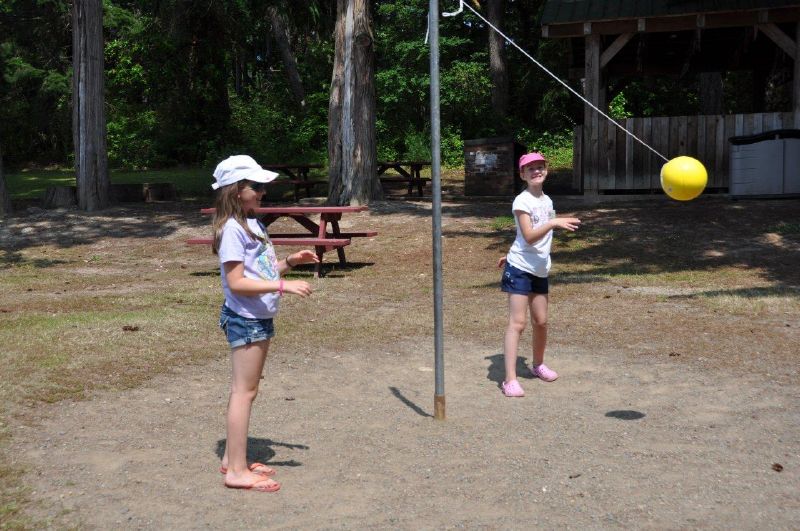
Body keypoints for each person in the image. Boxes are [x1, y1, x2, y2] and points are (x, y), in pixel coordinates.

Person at [211, 155, 318, 492]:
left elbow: (261, 272)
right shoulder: (231, 230)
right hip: (246, 320)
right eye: (255, 186)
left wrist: (288, 262)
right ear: (235, 190)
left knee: (247, 391)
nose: (262, 192)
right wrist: (283, 286)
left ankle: (233, 459)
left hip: (258, 317)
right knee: (243, 392)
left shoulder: (252, 223)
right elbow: (237, 282)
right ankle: (237, 472)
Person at [497, 152, 581, 397]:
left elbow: (534, 238)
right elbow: (530, 235)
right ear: (522, 174)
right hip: (520, 269)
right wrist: (554, 223)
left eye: (540, 167)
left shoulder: (547, 201)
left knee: (541, 322)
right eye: (530, 168)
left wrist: (509, 250)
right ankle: (510, 380)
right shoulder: (521, 201)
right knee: (518, 323)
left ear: (546, 170)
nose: (536, 171)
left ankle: (538, 365)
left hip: (540, 269)